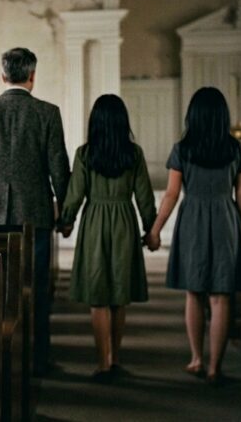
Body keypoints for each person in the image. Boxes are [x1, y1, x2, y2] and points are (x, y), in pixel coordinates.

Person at [0, 47, 70, 375]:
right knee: (35, 292)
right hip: (34, 215)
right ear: (32, 76)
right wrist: (65, 214)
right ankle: (37, 362)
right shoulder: (47, 112)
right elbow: (59, 169)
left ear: (3, 75)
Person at [145, 87, 241, 386]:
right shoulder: (235, 149)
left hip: (192, 219)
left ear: (193, 115)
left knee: (194, 292)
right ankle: (216, 367)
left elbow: (171, 194)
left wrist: (155, 229)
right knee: (220, 296)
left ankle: (196, 359)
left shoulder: (183, 149)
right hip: (225, 221)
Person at [58, 94, 156, 382]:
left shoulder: (85, 154)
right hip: (124, 221)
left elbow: (75, 195)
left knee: (98, 297)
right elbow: (145, 196)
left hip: (95, 223)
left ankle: (102, 363)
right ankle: (114, 358)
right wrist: (151, 229)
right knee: (119, 297)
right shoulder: (133, 154)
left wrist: (66, 222)